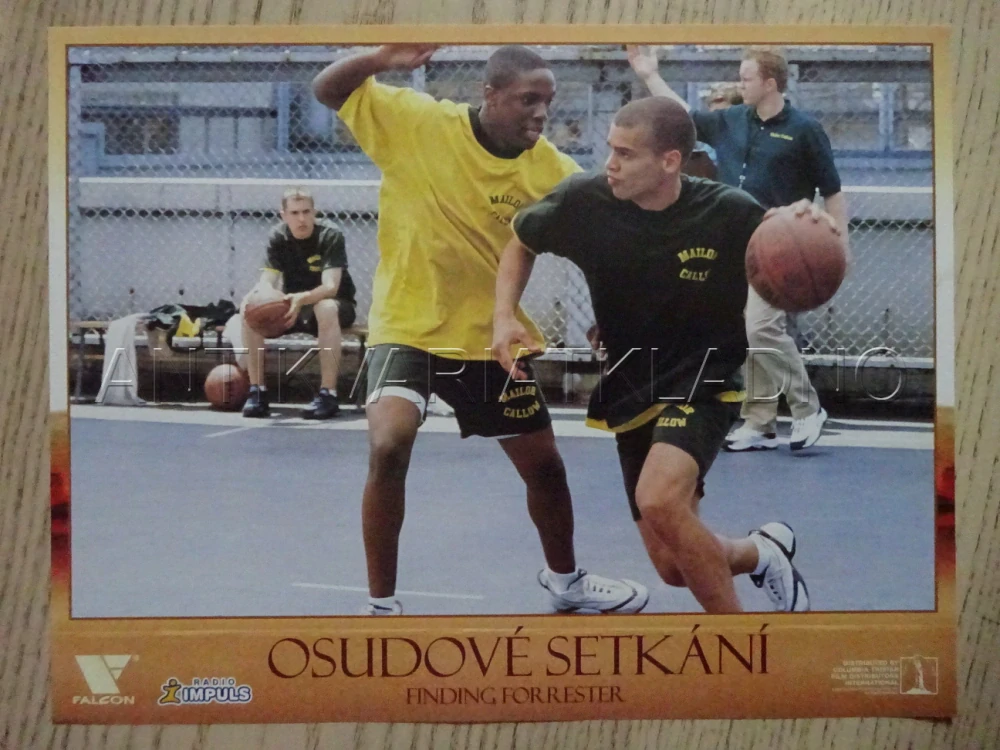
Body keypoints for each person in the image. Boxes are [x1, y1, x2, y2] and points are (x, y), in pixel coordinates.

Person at [312, 44, 649, 616]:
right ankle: (381, 606)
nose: (540, 113)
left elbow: (612, 238)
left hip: (491, 340)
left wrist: (614, 315)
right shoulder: (418, 121)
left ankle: (566, 582)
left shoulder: (551, 171)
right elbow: (327, 89)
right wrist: (384, 57)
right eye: (527, 99)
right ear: (489, 95)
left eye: (547, 101)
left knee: (545, 467)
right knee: (389, 445)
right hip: (408, 326)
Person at [493, 96, 828, 613]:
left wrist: (803, 217)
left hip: (705, 379)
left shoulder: (726, 210)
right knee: (675, 566)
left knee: (657, 498)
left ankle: (740, 646)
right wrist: (504, 316)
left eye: (626, 154)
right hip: (631, 385)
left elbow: (782, 234)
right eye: (611, 149)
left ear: (670, 161)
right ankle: (762, 553)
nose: (610, 163)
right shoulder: (584, 201)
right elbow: (521, 241)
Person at [628, 45, 849, 452]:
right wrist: (649, 75)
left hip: (778, 249)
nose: (739, 84)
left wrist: (841, 246)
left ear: (770, 83)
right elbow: (681, 116)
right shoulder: (731, 120)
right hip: (732, 242)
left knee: (762, 328)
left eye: (746, 78)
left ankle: (807, 407)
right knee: (746, 332)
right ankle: (760, 422)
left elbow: (832, 191)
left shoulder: (805, 130)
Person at [241, 188, 357, 420]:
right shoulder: (279, 236)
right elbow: (268, 278)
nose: (302, 219)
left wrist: (301, 298)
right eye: (295, 213)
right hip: (292, 306)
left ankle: (328, 394)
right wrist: (260, 293)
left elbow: (331, 287)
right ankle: (257, 392)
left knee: (325, 307)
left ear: (315, 212)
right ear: (283, 215)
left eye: (306, 212)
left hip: (334, 305)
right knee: (250, 309)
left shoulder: (330, 235)